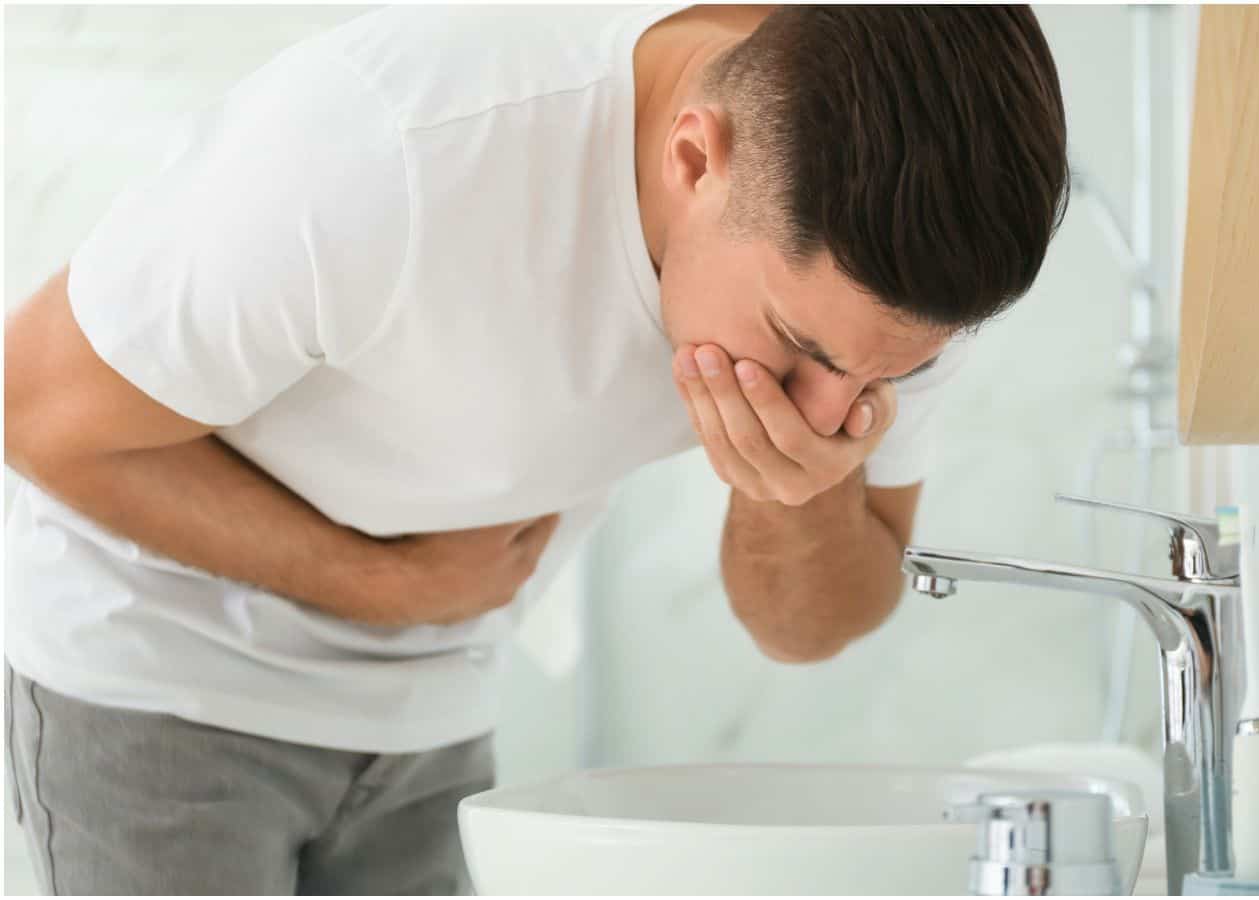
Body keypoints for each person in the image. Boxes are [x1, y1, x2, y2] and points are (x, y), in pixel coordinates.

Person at [3, 4, 1069, 894]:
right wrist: (387, 583)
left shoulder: (892, 294)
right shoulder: (395, 148)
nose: (835, 405)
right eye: (794, 347)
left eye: (885, 375)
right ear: (695, 156)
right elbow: (36, 410)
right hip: (157, 685)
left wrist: (797, 489)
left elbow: (809, 626)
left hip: (438, 712)